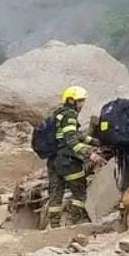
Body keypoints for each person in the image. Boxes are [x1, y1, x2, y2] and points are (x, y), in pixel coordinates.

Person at [44, 86, 102, 228]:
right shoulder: (70, 115)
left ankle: (55, 227)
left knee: (55, 195)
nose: (82, 104)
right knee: (79, 193)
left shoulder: (57, 114)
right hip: (68, 161)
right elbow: (71, 140)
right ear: (71, 100)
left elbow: (74, 134)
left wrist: (94, 141)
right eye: (80, 101)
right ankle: (72, 223)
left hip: (53, 161)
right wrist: (90, 154)